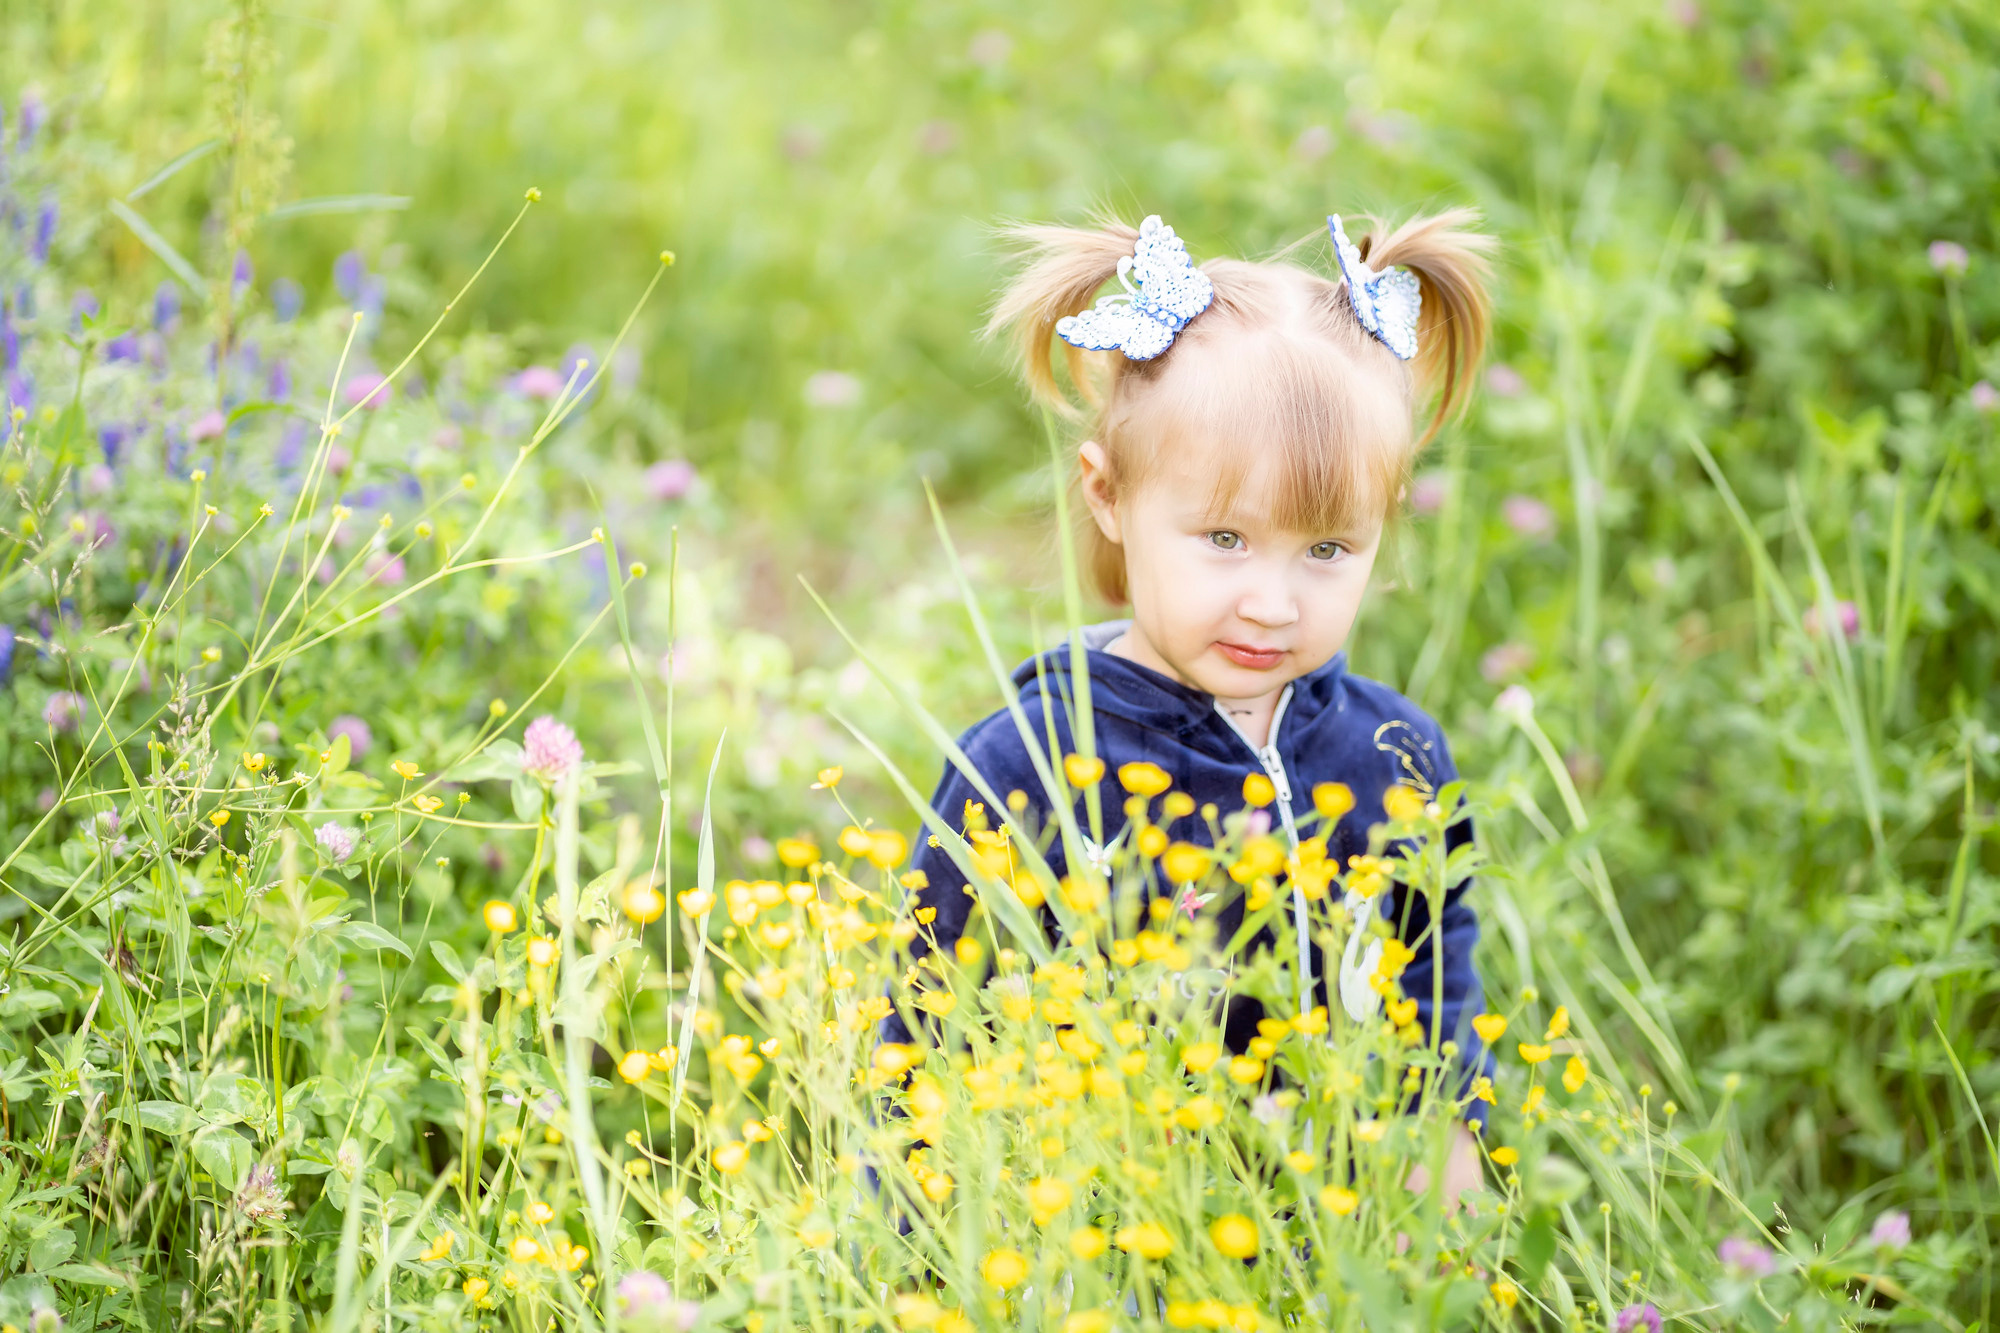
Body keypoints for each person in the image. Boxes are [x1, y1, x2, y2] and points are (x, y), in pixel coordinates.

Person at [884, 208, 1497, 1203]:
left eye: (1326, 550)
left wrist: (1451, 1143)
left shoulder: (1393, 753)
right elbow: (920, 1027)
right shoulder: (1026, 766)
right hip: (1100, 1237)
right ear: (1108, 495)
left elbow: (1433, 973)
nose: (1270, 600)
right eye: (1222, 537)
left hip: (1336, 1243)